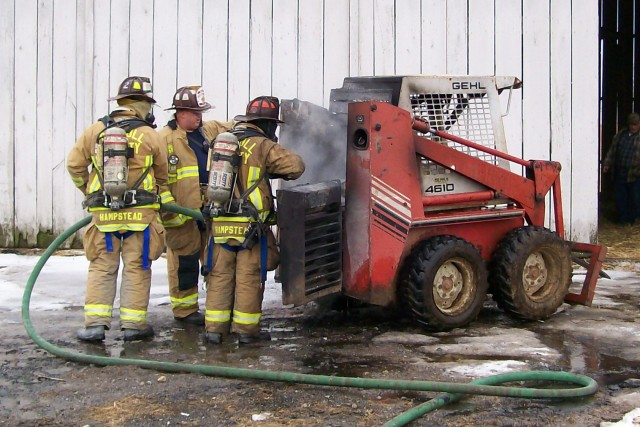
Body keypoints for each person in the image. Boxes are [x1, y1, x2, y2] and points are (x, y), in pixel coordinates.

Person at [67, 76, 170, 342]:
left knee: (102, 267)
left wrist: (90, 191)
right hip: (141, 218)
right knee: (137, 267)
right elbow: (162, 175)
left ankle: (94, 326)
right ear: (142, 105)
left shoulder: (95, 131)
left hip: (104, 217)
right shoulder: (151, 135)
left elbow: (75, 166)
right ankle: (134, 326)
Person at [203, 96, 305, 345]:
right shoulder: (262, 145)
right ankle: (247, 332)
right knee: (249, 278)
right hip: (250, 228)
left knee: (219, 276)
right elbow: (296, 166)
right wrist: (268, 168)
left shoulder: (221, 143)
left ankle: (214, 330)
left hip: (220, 224)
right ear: (267, 124)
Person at [158, 86, 234, 325]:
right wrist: (169, 210)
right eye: (194, 112)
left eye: (201, 111)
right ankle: (185, 311)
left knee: (214, 261)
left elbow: (231, 126)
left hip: (209, 209)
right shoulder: (165, 138)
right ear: (180, 113)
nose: (199, 116)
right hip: (182, 213)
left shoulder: (207, 131)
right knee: (184, 263)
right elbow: (157, 177)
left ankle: (217, 309)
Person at [603, 112, 640, 225]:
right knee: (620, 197)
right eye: (631, 124)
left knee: (634, 198)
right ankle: (623, 220)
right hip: (620, 171)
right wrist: (607, 164)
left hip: (635, 173)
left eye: (635, 124)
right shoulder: (621, 135)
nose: (633, 127)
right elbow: (612, 151)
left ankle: (632, 219)